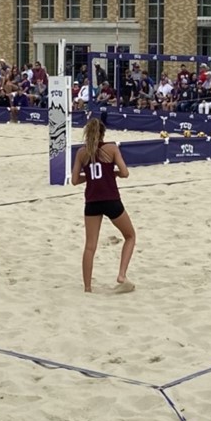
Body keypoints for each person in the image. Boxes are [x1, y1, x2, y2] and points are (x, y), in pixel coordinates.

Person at [71, 117, 136, 294]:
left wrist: (90, 178)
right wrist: (112, 174)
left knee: (90, 246)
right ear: (103, 133)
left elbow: (75, 180)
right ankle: (122, 275)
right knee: (130, 236)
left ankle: (87, 287)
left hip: (92, 201)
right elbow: (125, 173)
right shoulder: (111, 148)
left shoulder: (81, 153)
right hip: (111, 199)